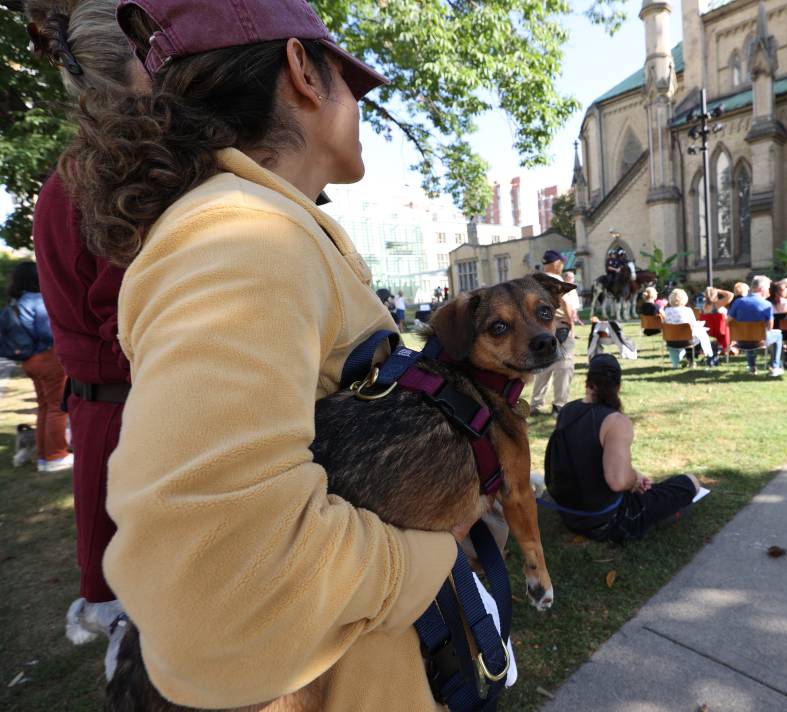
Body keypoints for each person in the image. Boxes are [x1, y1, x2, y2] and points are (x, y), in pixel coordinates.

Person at [64, 0, 462, 707]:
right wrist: (430, 559)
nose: (364, 106)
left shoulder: (261, 227)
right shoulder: (243, 239)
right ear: (302, 70)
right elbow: (216, 589)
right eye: (352, 80)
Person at [25, 0, 149, 671]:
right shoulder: (114, 179)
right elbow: (137, 321)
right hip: (131, 417)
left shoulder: (67, 180)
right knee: (153, 624)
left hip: (109, 411)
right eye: (157, 48)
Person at [544, 354, 699, 542]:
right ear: (618, 386)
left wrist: (636, 476)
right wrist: (632, 480)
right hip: (605, 521)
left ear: (588, 382)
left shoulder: (567, 410)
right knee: (689, 482)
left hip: (569, 513)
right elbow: (618, 482)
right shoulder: (615, 421)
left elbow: (587, 459)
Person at [1, 262, 70, 471]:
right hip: (48, 358)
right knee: (57, 408)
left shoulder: (14, 303)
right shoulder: (38, 301)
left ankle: (43, 455)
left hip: (28, 362)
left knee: (44, 407)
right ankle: (55, 456)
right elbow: (49, 334)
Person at [531, 249, 579, 417]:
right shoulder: (555, 281)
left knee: (544, 365)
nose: (563, 266)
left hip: (542, 328)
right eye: (562, 263)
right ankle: (559, 404)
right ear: (557, 263)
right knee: (564, 366)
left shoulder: (536, 282)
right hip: (560, 326)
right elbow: (564, 301)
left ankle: (536, 403)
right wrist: (570, 321)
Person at [727, 276, 785, 377]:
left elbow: (728, 321)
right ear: (761, 289)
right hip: (759, 340)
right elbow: (770, 326)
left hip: (741, 340)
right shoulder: (767, 304)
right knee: (778, 335)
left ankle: (752, 367)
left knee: (749, 335)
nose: (769, 291)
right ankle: (774, 367)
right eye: (768, 288)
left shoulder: (738, 302)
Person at [663, 288, 715, 365]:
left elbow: (665, 324)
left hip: (670, 341)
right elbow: (693, 324)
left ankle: (675, 363)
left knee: (687, 338)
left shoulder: (666, 311)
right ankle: (690, 359)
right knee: (698, 339)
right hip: (686, 341)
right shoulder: (687, 310)